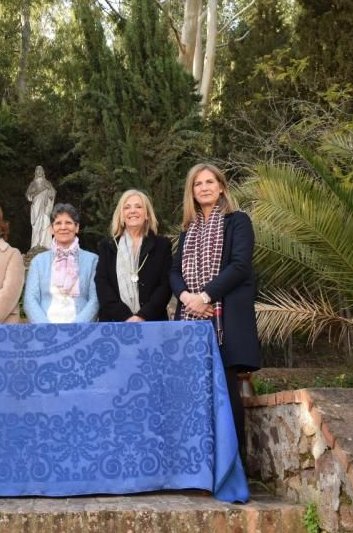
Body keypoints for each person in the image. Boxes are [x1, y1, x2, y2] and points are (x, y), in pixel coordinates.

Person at [170, 163, 261, 459]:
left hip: (225, 321)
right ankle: (198, 463)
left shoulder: (238, 221)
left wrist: (206, 296)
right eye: (198, 184)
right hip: (193, 322)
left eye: (210, 182)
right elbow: (174, 272)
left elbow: (239, 266)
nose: (205, 187)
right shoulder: (188, 230)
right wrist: (187, 297)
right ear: (192, 192)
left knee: (226, 393)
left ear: (221, 186)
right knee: (195, 394)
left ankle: (233, 467)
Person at [95, 189, 173, 322]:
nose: (132, 211)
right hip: (115, 323)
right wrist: (125, 316)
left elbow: (165, 286)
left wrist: (143, 316)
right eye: (127, 207)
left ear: (147, 214)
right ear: (121, 214)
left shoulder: (162, 245)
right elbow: (102, 284)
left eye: (138, 206)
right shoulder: (107, 246)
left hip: (152, 322)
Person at [24, 203, 99, 323]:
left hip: (81, 329)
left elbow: (95, 300)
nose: (63, 227)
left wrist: (76, 328)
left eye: (68, 223)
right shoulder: (38, 261)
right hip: (45, 330)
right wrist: (46, 329)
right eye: (58, 223)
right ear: (51, 229)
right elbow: (30, 300)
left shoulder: (92, 260)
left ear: (77, 227)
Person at [26, 166, 56, 250]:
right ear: (35, 172)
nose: (39, 171)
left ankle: (45, 244)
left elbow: (53, 192)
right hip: (36, 206)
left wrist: (49, 193)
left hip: (45, 207)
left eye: (41, 170)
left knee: (45, 222)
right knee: (36, 225)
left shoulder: (47, 183)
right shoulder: (32, 183)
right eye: (37, 170)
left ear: (43, 172)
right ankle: (36, 244)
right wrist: (32, 193)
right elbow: (28, 195)